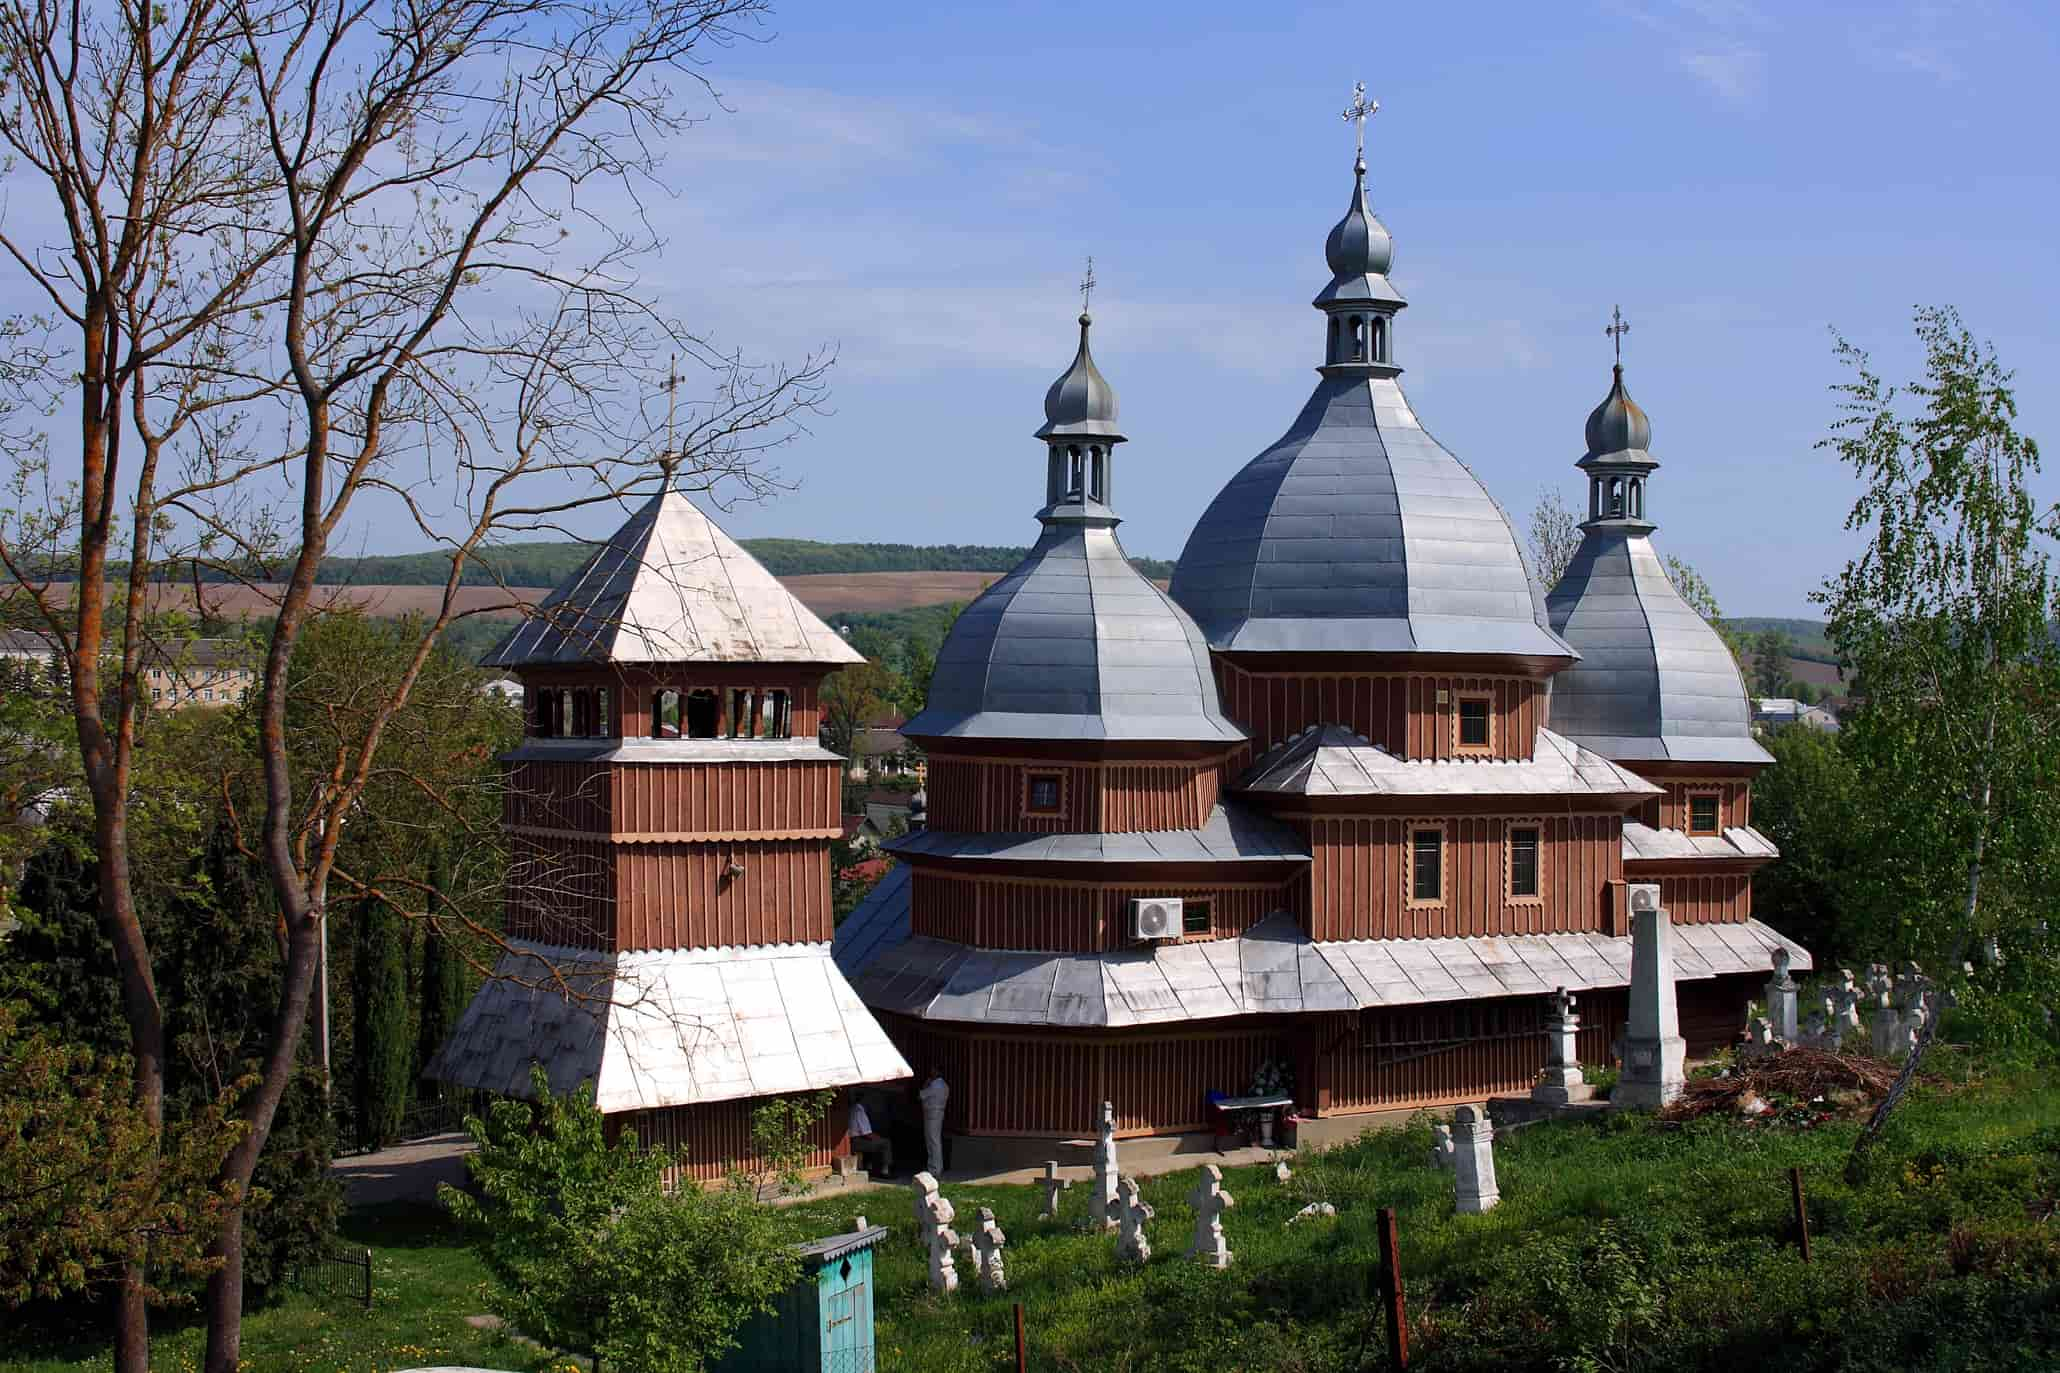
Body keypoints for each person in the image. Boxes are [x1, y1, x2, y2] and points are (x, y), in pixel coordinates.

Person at [849, 1096, 893, 1178]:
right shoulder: (859, 1111)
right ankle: (885, 1171)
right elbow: (867, 1133)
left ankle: (870, 1167)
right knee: (886, 1143)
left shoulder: (852, 1109)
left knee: (874, 1142)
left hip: (853, 1140)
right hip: (857, 1142)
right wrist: (879, 1138)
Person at [918, 1066, 949, 1177]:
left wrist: (926, 1083)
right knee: (934, 1140)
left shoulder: (935, 1085)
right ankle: (935, 1166)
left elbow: (921, 1095)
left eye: (933, 1070)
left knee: (933, 1141)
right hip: (937, 1113)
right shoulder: (944, 1085)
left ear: (938, 1072)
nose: (931, 1072)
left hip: (932, 1114)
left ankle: (935, 1168)